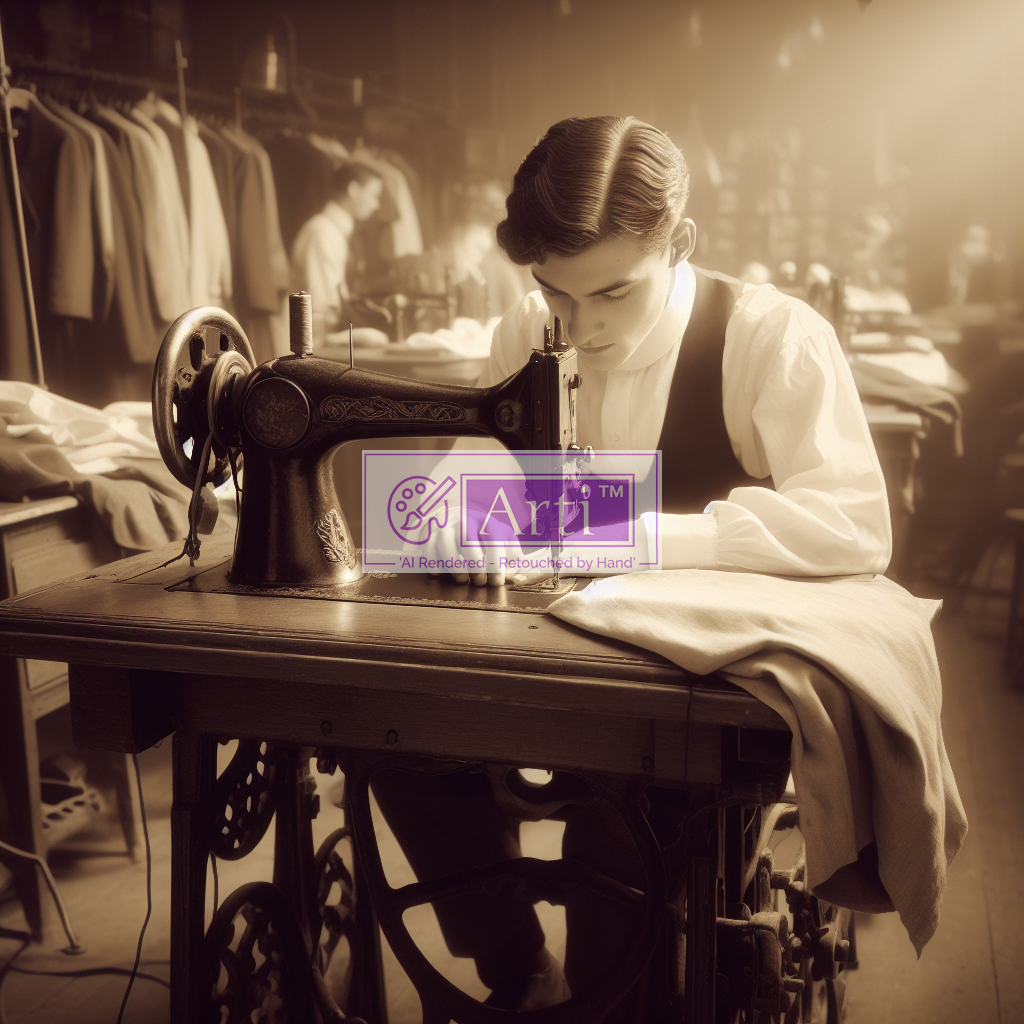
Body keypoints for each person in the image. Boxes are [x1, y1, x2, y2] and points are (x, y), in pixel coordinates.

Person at [372, 115, 891, 1015]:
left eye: (612, 290)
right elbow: (468, 476)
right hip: (543, 670)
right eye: (555, 291)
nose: (579, 324)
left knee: (622, 842)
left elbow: (852, 525)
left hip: (684, 697)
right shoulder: (530, 329)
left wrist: (637, 534)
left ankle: (613, 1004)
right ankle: (517, 966)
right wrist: (455, 518)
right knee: (392, 738)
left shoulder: (770, 339)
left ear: (679, 243)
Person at [289, 160, 383, 344]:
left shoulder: (332, 231)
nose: (376, 205)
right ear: (354, 190)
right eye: (374, 195)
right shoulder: (324, 233)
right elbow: (321, 308)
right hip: (312, 342)